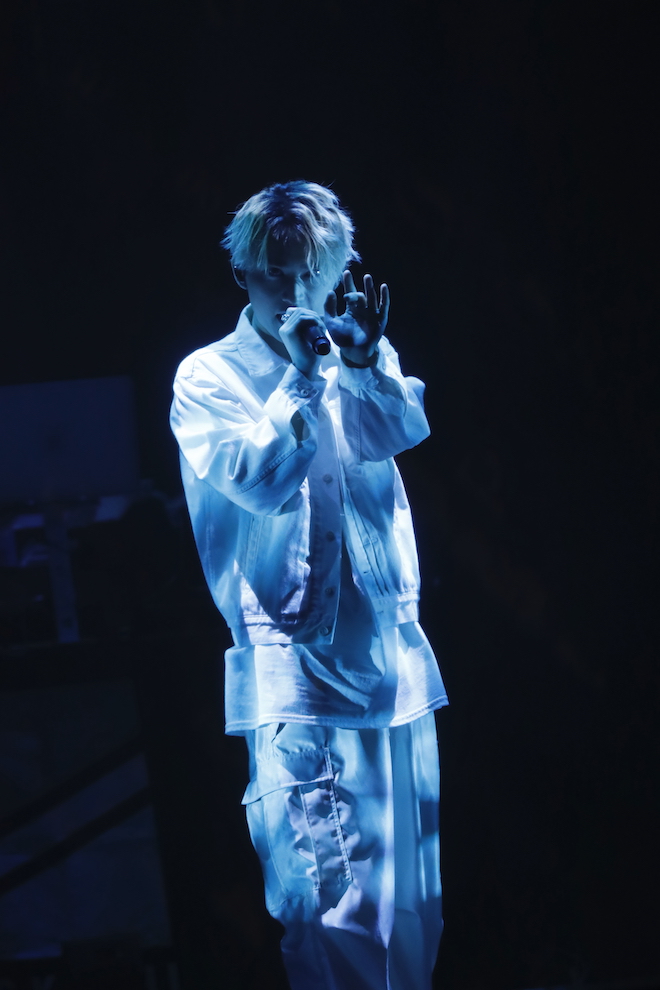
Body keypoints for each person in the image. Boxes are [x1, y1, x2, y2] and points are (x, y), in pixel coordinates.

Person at [170, 180, 448, 990]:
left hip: (393, 665)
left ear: (338, 270)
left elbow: (396, 430)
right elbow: (257, 480)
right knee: (335, 915)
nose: (297, 292)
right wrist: (298, 378)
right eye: (277, 273)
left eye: (313, 274)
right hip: (301, 676)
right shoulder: (210, 376)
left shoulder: (353, 349)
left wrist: (357, 361)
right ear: (244, 273)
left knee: (414, 919)